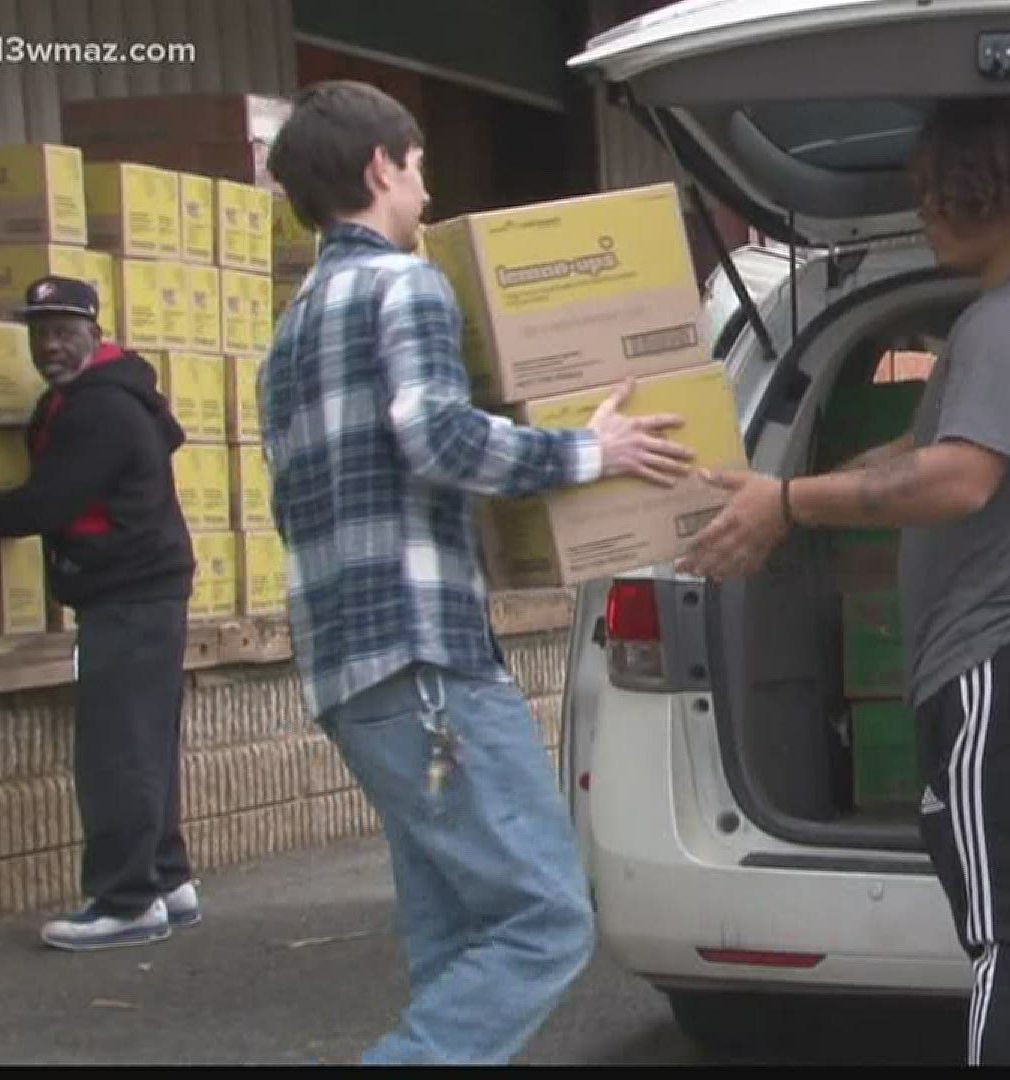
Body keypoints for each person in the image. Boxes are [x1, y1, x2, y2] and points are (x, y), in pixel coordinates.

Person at [679, 96, 1010, 1067]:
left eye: (933, 191)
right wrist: (782, 487)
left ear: (992, 189)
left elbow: (956, 477)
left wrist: (788, 506)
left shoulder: (1004, 324)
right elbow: (918, 450)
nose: (922, 211)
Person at [262, 80, 695, 1065]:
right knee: (544, 919)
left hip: (347, 669)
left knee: (456, 931)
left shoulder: (291, 328)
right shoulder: (404, 284)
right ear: (382, 167)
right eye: (419, 167)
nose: (426, 189)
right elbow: (436, 438)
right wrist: (590, 454)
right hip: (425, 661)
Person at [0, 276, 199, 951]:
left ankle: (125, 900)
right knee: (143, 742)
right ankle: (167, 881)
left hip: (129, 594)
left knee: (114, 751)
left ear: (96, 332)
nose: (49, 346)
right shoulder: (113, 394)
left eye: (64, 331)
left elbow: (39, 508)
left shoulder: (98, 412)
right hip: (144, 590)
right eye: (38, 333)